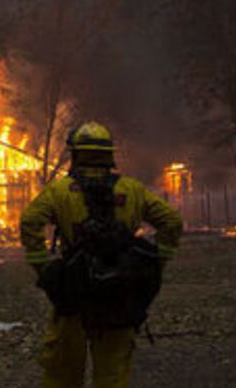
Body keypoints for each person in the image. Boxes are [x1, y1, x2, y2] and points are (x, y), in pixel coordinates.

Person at [20, 121, 183, 388]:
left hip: (73, 293)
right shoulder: (131, 190)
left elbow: (29, 222)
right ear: (109, 155)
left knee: (62, 373)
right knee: (112, 375)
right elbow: (172, 222)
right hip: (117, 295)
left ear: (75, 155)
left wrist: (44, 268)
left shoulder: (60, 191)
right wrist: (158, 262)